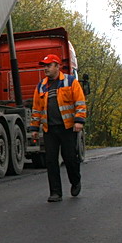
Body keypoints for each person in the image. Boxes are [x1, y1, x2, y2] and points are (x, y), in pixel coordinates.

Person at [28, 54, 87, 202]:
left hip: (67, 128)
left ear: (57, 66)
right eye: (44, 66)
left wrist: (79, 121)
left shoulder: (70, 81)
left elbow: (80, 102)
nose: (45, 68)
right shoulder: (41, 85)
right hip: (49, 129)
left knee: (69, 158)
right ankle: (55, 193)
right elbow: (36, 109)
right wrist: (34, 128)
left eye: (48, 65)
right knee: (51, 161)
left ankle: (75, 181)